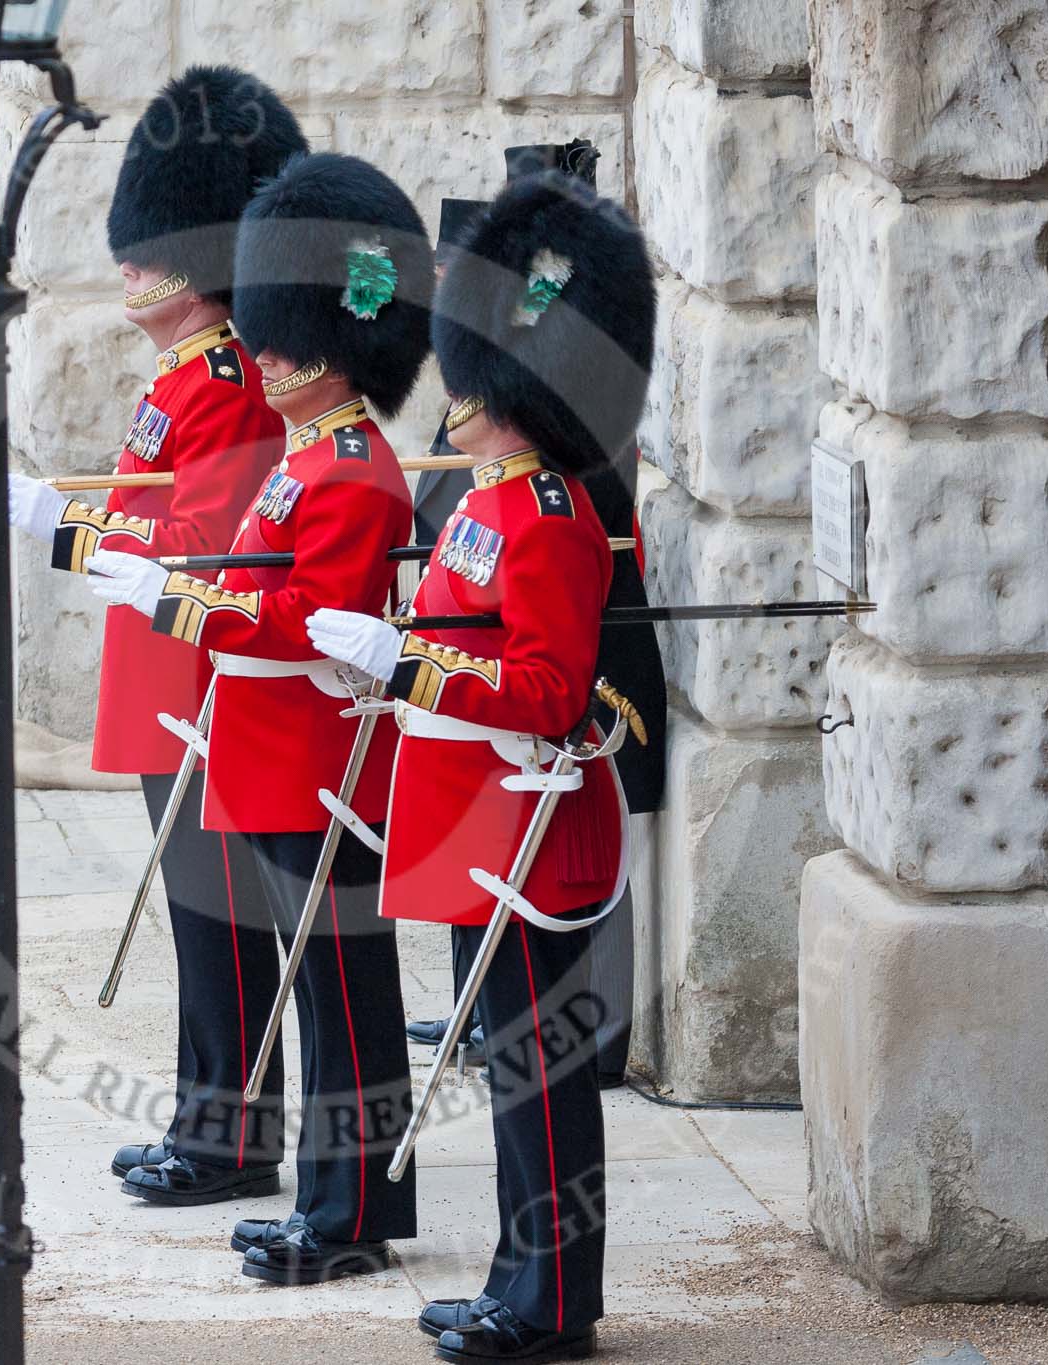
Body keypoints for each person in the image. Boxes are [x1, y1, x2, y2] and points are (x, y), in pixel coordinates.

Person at [306, 170, 658, 1361]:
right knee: (509, 1069)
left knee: (540, 1082)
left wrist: (409, 671)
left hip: (525, 829)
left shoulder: (547, 514)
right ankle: (521, 1277)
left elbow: (551, 696)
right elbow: (466, 640)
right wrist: (389, 656)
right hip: (473, 825)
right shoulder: (483, 503)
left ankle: (553, 1303)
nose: (446, 395)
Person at [85, 151, 430, 1284]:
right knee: (319, 984)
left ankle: (351, 1216)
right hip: (274, 747)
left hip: (314, 758)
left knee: (339, 990)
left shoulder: (347, 466)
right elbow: (262, 577)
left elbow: (296, 614)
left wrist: (181, 594)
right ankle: (334, 1208)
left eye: (284, 336)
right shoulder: (308, 458)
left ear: (332, 346)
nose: (263, 350)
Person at [5, 65, 305, 1202]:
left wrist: (61, 526)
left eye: (145, 249)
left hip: (201, 675)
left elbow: (198, 540)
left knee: (218, 919)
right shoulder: (179, 373)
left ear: (195, 263)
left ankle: (231, 1137)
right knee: (196, 917)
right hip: (160, 667)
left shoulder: (222, 379)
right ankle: (206, 1117)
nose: (125, 266)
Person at [402, 139, 654, 1092]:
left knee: (588, 857)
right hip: (498, 667)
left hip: (578, 651)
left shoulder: (560, 386)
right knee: (506, 896)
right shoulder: (500, 382)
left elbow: (575, 508)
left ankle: (595, 1032)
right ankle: (488, 1003)